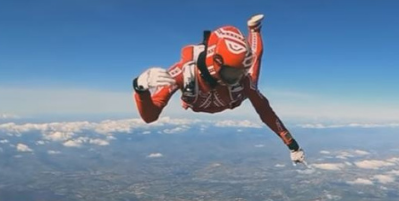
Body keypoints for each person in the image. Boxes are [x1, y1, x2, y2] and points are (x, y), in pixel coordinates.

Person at [131, 14, 306, 165]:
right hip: (205, 99)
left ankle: (254, 29)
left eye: (241, 72)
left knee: (253, 70)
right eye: (232, 73)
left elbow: (265, 110)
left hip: (220, 100)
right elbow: (150, 116)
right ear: (214, 63)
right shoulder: (182, 73)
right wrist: (140, 88)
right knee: (253, 67)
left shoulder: (243, 80)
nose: (238, 78)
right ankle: (255, 29)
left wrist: (292, 145)